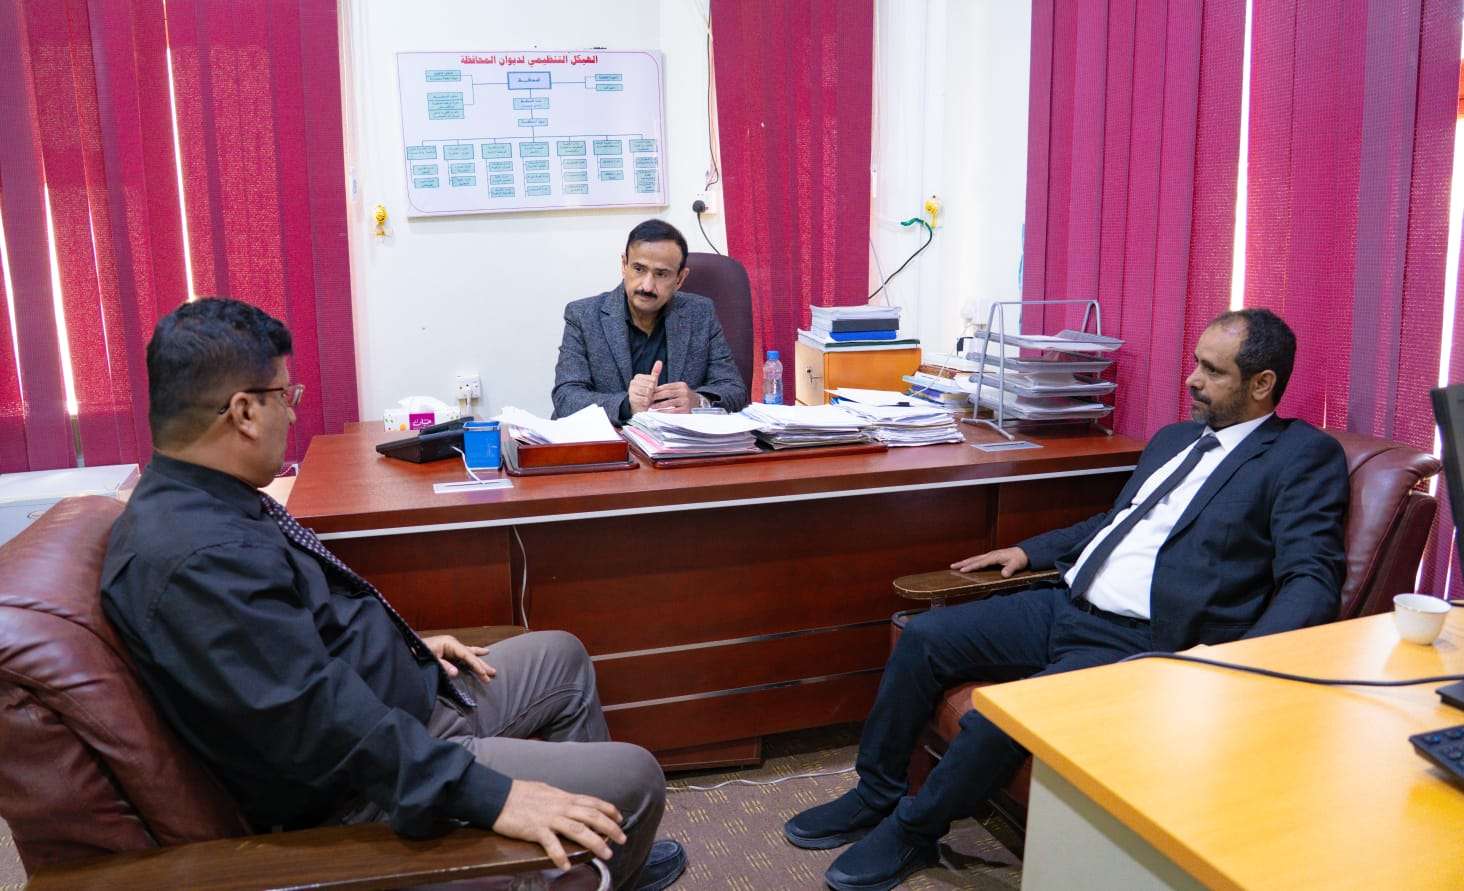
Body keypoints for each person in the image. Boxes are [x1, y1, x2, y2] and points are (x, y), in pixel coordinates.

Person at [102, 298, 686, 891]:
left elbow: (295, 640)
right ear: (244, 412)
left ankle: (596, 859)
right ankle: (571, 869)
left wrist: (406, 645)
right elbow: (318, 728)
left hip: (395, 700)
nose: (293, 413)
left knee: (562, 656)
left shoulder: (206, 499)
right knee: (636, 778)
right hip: (373, 775)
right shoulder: (199, 558)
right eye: (285, 395)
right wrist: (494, 796)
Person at [784, 308, 1348, 891]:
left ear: (1262, 383)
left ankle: (913, 831)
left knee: (1000, 717)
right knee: (923, 636)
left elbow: (1311, 577)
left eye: (1213, 370)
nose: (1192, 380)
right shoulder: (1176, 440)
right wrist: (1030, 551)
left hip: (1140, 642)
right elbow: (1118, 522)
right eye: (1195, 363)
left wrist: (1240, 665)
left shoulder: (1300, 456)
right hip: (1065, 602)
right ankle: (875, 793)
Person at [552, 219, 748, 422]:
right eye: (638, 269)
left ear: (680, 279)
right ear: (624, 265)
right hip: (608, 440)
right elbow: (566, 397)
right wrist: (627, 405)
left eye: (661, 274)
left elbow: (733, 389)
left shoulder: (700, 313)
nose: (646, 286)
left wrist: (698, 401)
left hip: (676, 440)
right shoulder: (583, 315)